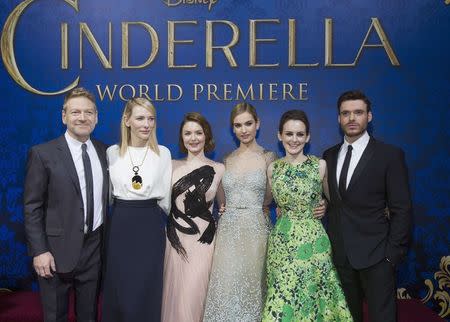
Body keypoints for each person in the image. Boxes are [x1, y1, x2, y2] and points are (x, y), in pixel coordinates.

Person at [204, 103, 325, 321]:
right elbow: (221, 200)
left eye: (248, 123)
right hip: (228, 234)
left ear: (257, 124)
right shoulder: (226, 159)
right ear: (232, 128)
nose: (244, 130)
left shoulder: (270, 159)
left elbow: (281, 197)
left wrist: (320, 204)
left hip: (258, 232)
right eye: (238, 125)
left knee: (256, 291)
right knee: (226, 289)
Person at [323, 90, 412, 322]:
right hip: (340, 257)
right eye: (346, 113)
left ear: (369, 116)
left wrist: (392, 256)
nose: (352, 118)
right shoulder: (329, 156)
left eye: (358, 112)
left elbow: (402, 208)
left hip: (377, 257)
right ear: (338, 118)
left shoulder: (389, 155)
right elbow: (333, 202)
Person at [24, 87, 108, 322]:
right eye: (76, 112)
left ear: (96, 117)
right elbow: (32, 207)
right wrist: (40, 251)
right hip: (54, 251)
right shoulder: (42, 154)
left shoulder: (105, 152)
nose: (83, 117)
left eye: (89, 112)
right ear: (64, 116)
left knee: (89, 315)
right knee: (55, 317)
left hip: (94, 249)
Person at [262, 110, 353, 322]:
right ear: (279, 135)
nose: (294, 140)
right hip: (282, 244)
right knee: (281, 301)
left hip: (314, 242)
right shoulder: (272, 168)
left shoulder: (319, 165)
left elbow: (334, 200)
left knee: (315, 298)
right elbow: (266, 201)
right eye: (289, 134)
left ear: (308, 137)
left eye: (300, 134)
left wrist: (326, 205)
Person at [101, 97, 171, 322]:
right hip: (120, 223)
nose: (146, 124)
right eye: (140, 118)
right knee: (120, 287)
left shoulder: (163, 153)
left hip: (150, 223)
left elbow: (167, 201)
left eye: (151, 119)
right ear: (127, 120)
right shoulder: (112, 152)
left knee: (146, 288)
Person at [161, 112, 225, 322]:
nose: (193, 138)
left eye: (198, 132)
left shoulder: (219, 169)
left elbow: (224, 205)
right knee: (176, 297)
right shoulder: (170, 165)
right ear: (182, 137)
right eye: (188, 133)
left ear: (206, 135)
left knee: (196, 295)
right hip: (175, 240)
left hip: (203, 243)